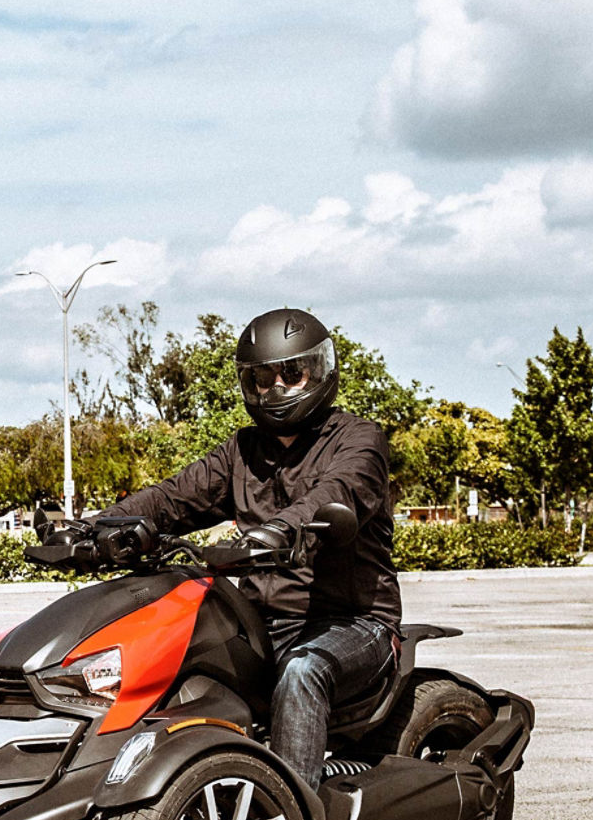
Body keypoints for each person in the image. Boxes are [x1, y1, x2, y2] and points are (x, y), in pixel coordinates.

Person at [99, 308, 399, 789]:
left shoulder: (359, 439)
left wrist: (281, 530)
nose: (275, 390)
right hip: (260, 625)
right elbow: (173, 497)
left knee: (303, 671)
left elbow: (339, 491)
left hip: (351, 622)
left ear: (319, 372)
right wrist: (96, 527)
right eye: (261, 378)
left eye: (290, 374)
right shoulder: (242, 449)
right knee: (166, 661)